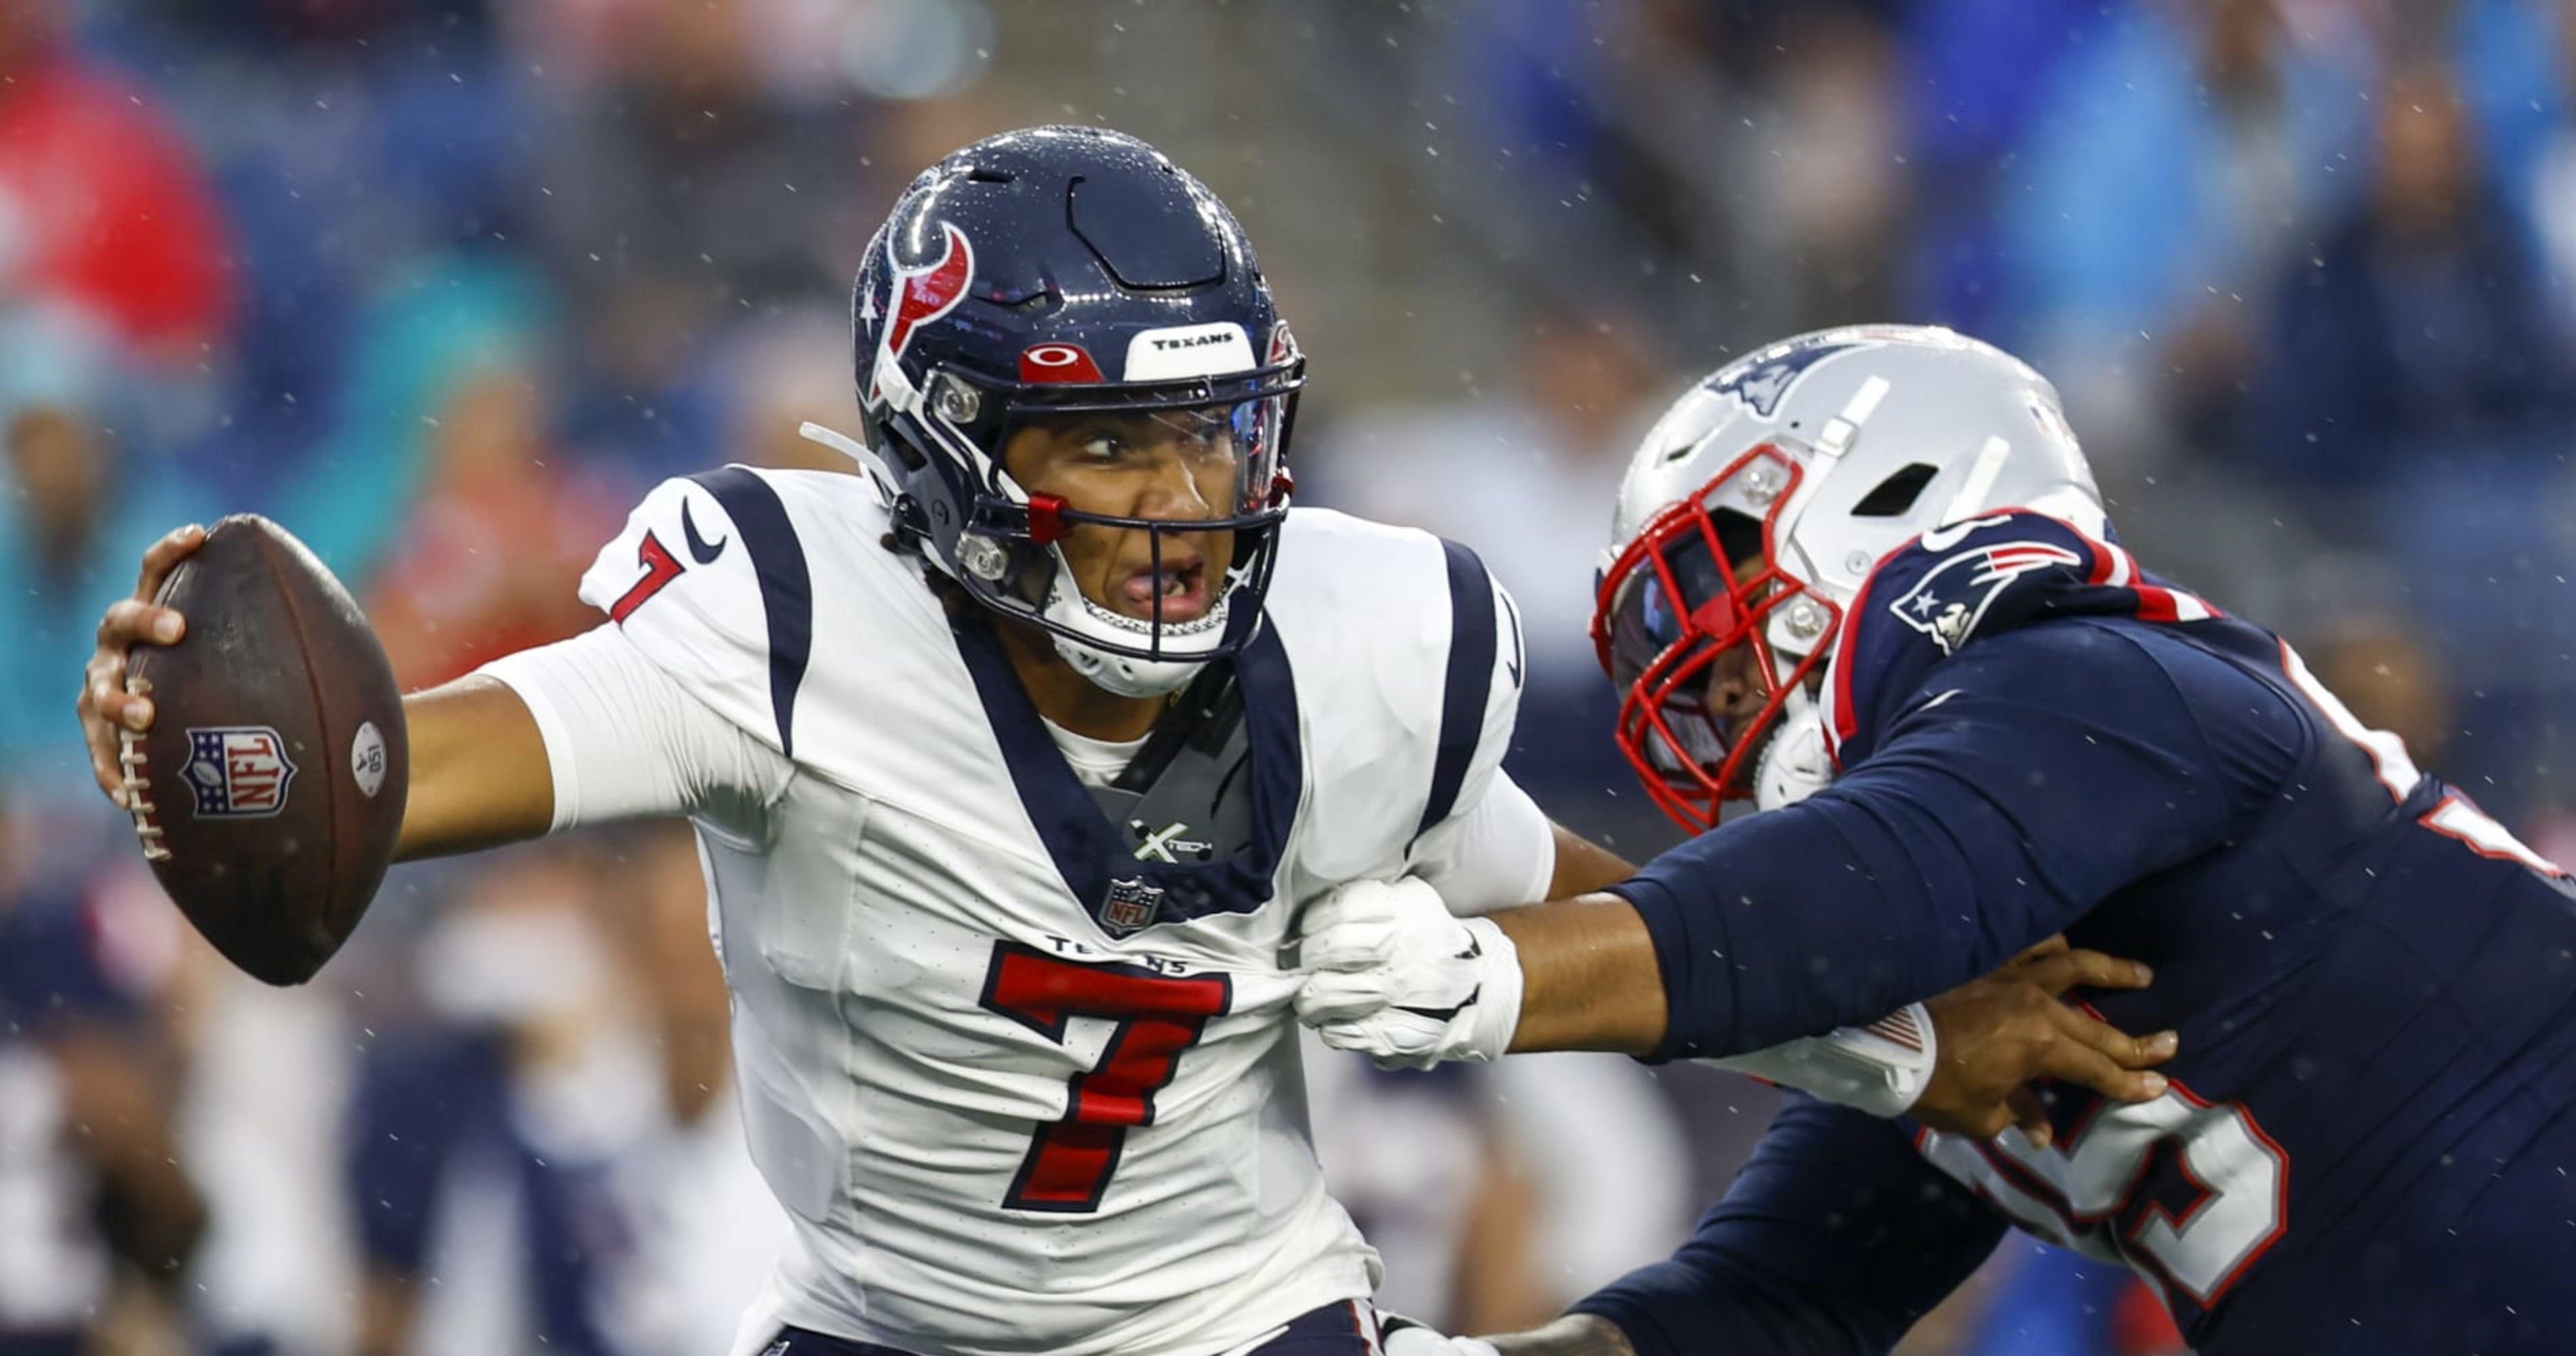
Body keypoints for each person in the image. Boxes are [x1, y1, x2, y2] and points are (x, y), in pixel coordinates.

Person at [77, 133, 2165, 1356]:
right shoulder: (784, 622)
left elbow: (1619, 932)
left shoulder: (1368, 633)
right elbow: (391, 770)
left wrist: (1896, 1045)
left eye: (1210, 427)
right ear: (939, 459)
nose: (1179, 497)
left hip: (1244, 1332)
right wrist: (217, 757)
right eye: (1103, 436)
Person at [1295, 324, 2576, 1355]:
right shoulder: (1940, 991)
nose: (1721, 692)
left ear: (1888, 497)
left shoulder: (2100, 674)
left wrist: (1490, 979)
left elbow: (1851, 894)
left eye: (1728, 593)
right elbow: (1772, 1303)